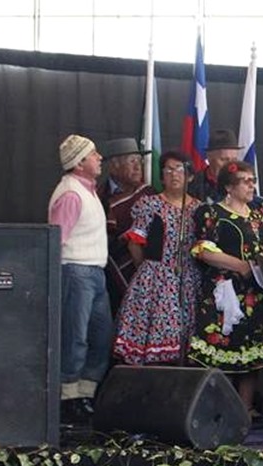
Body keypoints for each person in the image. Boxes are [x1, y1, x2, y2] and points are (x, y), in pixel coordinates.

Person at [188, 161, 263, 416]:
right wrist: (240, 265)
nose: (252, 185)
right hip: (226, 290)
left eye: (253, 180)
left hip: (256, 290)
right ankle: (216, 410)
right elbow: (203, 250)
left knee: (249, 354)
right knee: (222, 350)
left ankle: (244, 409)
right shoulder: (211, 212)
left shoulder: (258, 212)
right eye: (245, 181)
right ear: (229, 186)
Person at [111, 151, 201, 366]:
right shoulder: (149, 205)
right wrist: (149, 271)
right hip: (156, 278)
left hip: (190, 279)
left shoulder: (199, 209)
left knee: (187, 339)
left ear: (189, 176)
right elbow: (135, 242)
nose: (174, 174)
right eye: (168, 170)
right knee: (155, 340)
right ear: (162, 176)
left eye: (179, 169)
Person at [48, 134, 112, 425]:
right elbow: (55, 239)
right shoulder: (71, 194)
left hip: (94, 271)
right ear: (79, 162)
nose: (99, 158)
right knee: (76, 336)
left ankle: (86, 393)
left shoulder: (88, 191)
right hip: (75, 269)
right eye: (94, 154)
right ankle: (68, 397)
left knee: (100, 336)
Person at [98, 137, 154, 317]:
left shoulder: (149, 194)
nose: (138, 167)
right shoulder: (99, 197)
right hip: (112, 275)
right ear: (114, 165)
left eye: (139, 161)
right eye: (132, 161)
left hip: (147, 272)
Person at [188, 129, 243, 204]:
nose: (230, 165)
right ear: (209, 157)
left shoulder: (243, 183)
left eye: (234, 159)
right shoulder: (194, 184)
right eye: (224, 159)